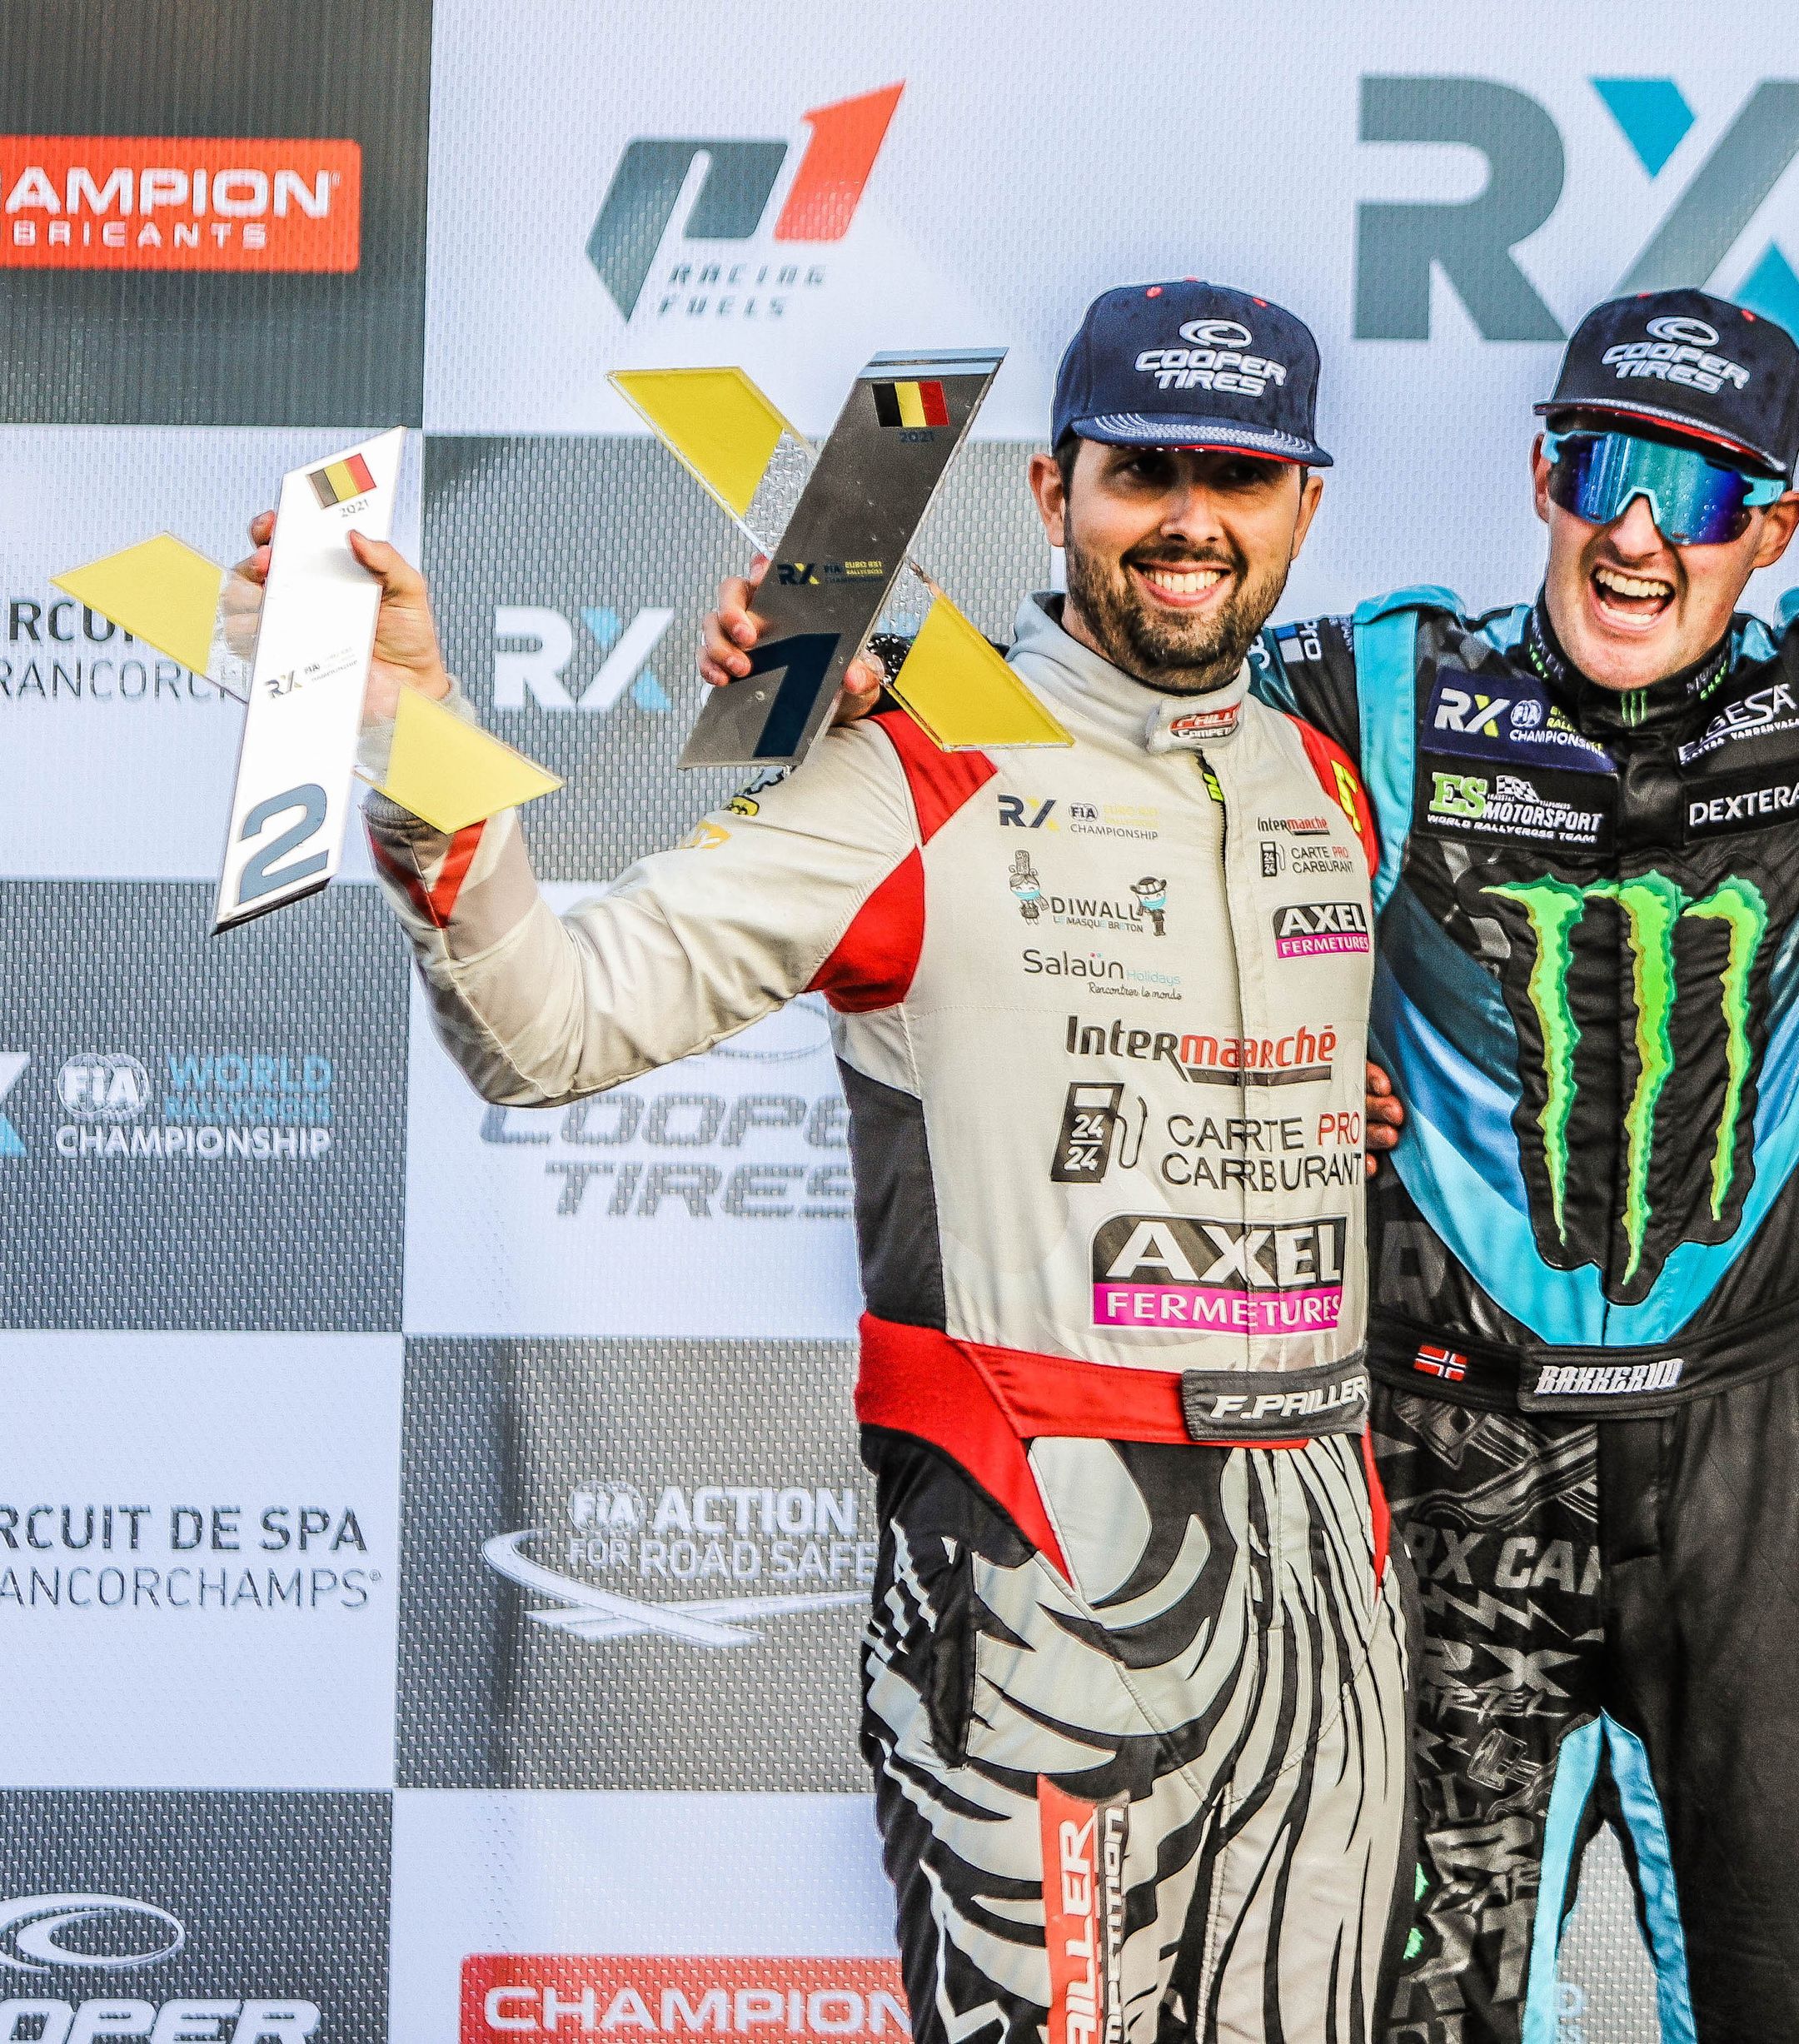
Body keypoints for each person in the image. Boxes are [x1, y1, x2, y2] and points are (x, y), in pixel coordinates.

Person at [707, 285, 1799, 2044]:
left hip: (1744, 1460)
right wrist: (829, 665)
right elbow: (1101, 704)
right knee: (1414, 2008)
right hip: (1443, 1449)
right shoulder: (1388, 682)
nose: (1642, 532)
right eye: (1604, 469)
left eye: (1704, 491)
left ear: (1776, 529)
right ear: (1544, 476)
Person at [306, 280, 1409, 2044]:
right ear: (1056, 497)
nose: (1193, 520)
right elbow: (550, 1023)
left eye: (1244, 474)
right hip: (1037, 1559)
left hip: (1324, 1572)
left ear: (1303, 507)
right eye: (1146, 474)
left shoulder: (1324, 785)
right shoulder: (906, 773)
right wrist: (410, 737)